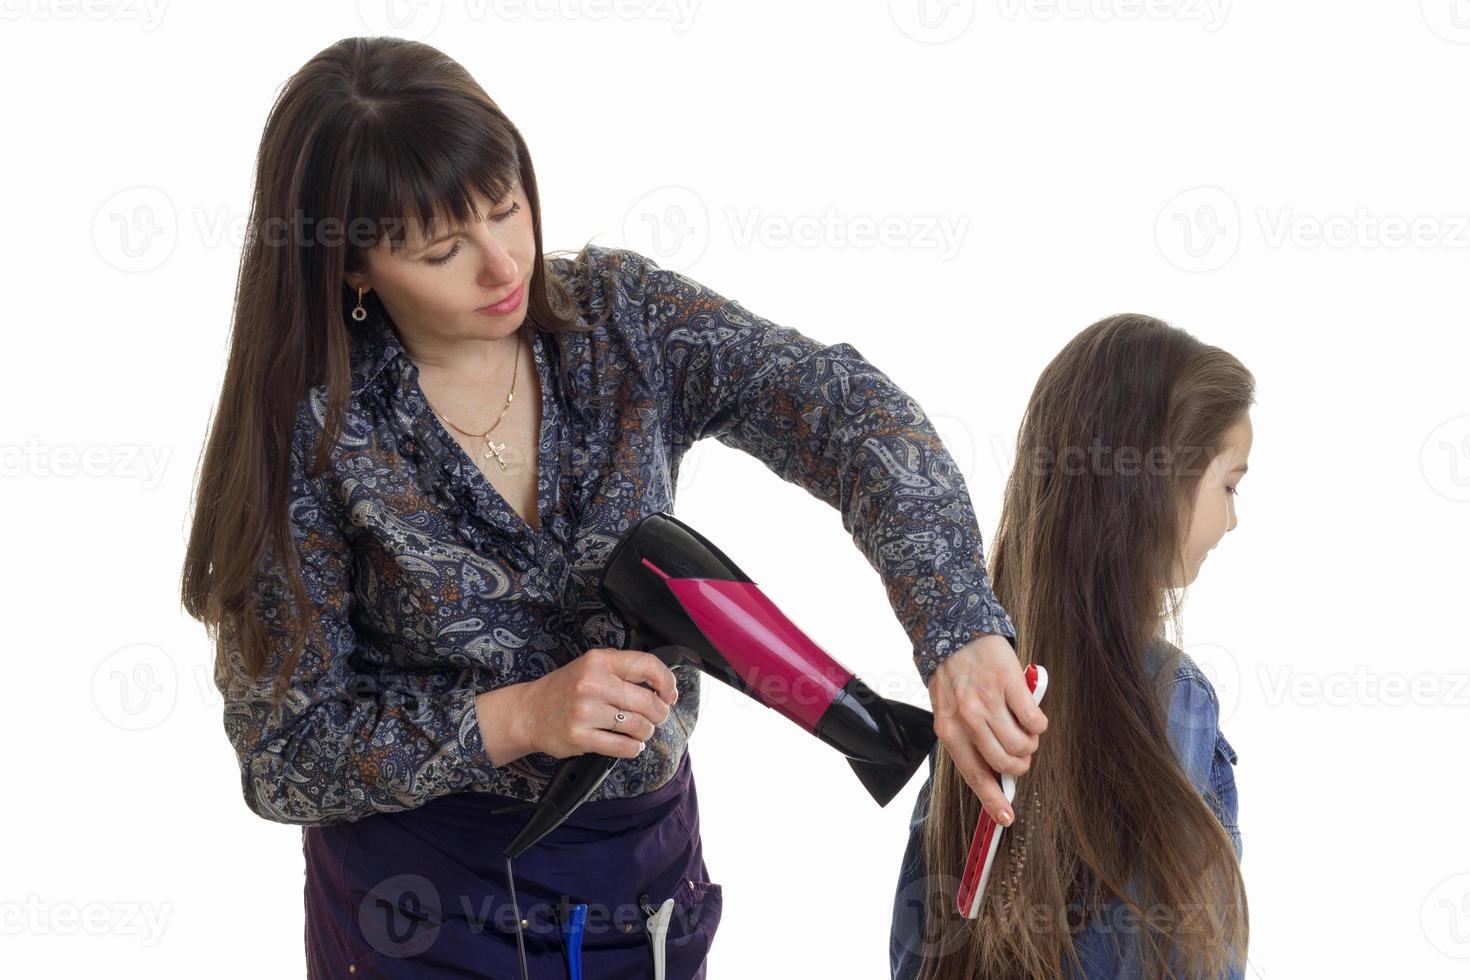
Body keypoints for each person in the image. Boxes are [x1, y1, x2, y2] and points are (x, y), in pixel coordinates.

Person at [179, 36, 1044, 979]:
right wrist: (518, 718)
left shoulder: (623, 321)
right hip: (422, 910)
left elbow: (849, 415)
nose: (503, 263)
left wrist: (958, 626)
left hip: (644, 885)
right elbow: (285, 756)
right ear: (352, 268)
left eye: (507, 208)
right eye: (441, 249)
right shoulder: (312, 432)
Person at [889, 314, 1253, 979]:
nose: (1233, 520)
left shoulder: (976, 705)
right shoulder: (1173, 698)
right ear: (1157, 488)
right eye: (1229, 486)